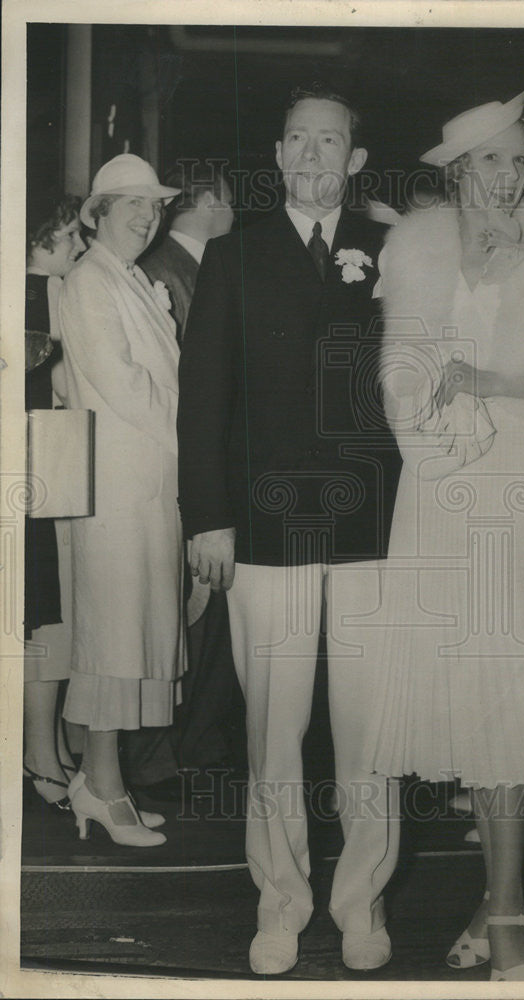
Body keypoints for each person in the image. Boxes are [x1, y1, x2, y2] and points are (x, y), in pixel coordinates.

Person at [365, 90, 524, 981]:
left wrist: (493, 378)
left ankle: (508, 909)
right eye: (490, 162)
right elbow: (397, 374)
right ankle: (498, 893)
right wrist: (429, 410)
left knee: (517, 687)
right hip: (440, 484)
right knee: (469, 694)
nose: (509, 177)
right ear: (457, 171)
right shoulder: (417, 248)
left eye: (519, 159)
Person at [177, 84, 403, 974]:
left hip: (371, 528)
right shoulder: (232, 258)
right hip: (264, 532)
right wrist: (209, 521)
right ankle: (280, 903)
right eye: (297, 141)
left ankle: (362, 903)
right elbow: (203, 406)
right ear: (276, 157)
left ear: (352, 161)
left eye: (330, 142)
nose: (312, 156)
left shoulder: (392, 252)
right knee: (273, 728)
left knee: (369, 732)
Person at [58, 154, 185, 847]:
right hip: (114, 486)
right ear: (98, 212)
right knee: (111, 635)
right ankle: (100, 786)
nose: (146, 215)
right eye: (131, 204)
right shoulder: (87, 282)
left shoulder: (132, 279)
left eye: (154, 206)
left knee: (131, 631)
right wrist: (193, 433)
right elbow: (123, 383)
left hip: (145, 482)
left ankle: (105, 781)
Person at [122, 160, 238, 796]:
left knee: (204, 609)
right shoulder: (168, 268)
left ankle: (194, 745)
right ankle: (162, 754)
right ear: (214, 199)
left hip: (203, 468)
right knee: (182, 611)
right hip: (180, 468)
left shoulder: (179, 265)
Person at [23, 193, 85, 811]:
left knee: (42, 608)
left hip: (38, 459)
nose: (80, 246)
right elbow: (67, 387)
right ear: (38, 242)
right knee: (46, 609)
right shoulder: (45, 292)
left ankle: (48, 750)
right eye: (68, 236)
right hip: (47, 458)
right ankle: (41, 754)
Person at [141, 161, 234, 343]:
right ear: (209, 201)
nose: (233, 214)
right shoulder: (158, 274)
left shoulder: (201, 265)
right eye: (229, 203)